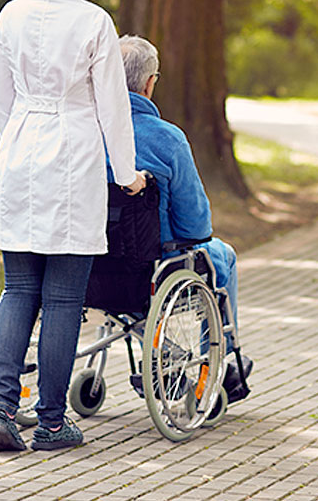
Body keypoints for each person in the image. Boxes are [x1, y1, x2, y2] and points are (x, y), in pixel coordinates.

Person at [0, 0, 145, 453]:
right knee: (63, 297)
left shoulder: (10, 15)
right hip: (72, 160)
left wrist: (21, 140)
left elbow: (0, 99)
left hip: (19, 154)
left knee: (18, 288)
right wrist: (127, 175)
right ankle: (52, 422)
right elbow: (113, 110)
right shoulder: (95, 22)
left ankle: (1, 408)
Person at [114, 35, 253, 403]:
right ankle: (223, 363)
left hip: (93, 265)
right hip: (155, 267)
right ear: (149, 83)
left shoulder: (85, 132)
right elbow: (196, 226)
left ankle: (163, 350)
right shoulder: (167, 139)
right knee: (223, 254)